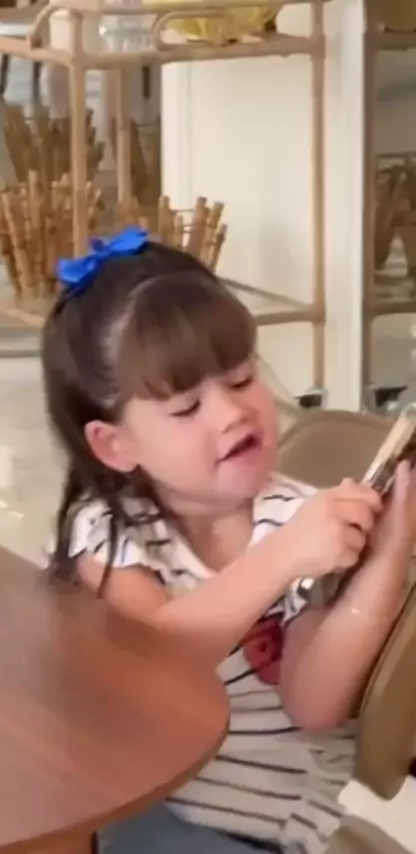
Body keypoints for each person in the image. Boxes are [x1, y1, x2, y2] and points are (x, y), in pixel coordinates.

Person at [41, 227, 415, 854]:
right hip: (144, 811)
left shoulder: (296, 518)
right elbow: (153, 661)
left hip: (270, 833)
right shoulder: (110, 529)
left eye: (241, 379)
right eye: (187, 408)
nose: (231, 412)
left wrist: (388, 558)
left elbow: (313, 704)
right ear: (116, 445)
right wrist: (283, 557)